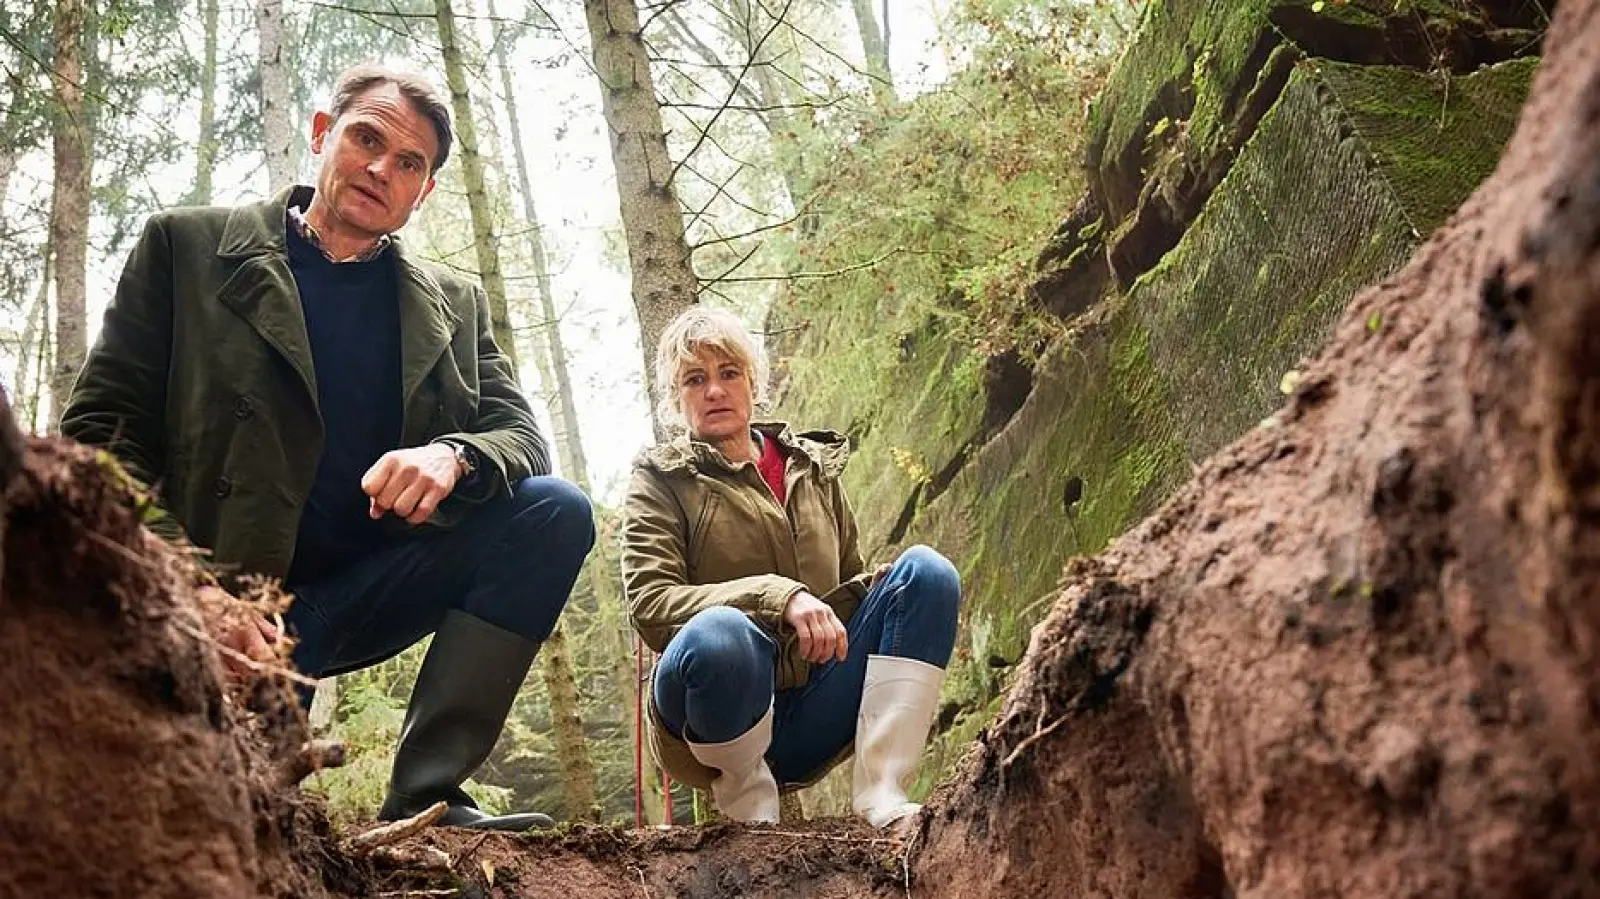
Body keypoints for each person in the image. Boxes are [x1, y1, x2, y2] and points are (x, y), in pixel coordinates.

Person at [60, 64, 594, 832]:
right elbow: (96, 438)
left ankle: (427, 793)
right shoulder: (185, 246)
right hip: (224, 607)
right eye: (366, 138)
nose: (382, 168)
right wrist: (194, 592)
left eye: (409, 163)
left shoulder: (454, 303)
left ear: (423, 193)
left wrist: (452, 454)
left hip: (365, 591)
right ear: (323, 135)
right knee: (216, 821)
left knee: (554, 512)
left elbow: (521, 436)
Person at [620, 306, 962, 828]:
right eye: (695, 380)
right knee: (721, 633)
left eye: (728, 373)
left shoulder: (811, 467)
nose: (714, 390)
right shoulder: (660, 480)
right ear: (676, 400)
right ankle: (751, 815)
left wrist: (889, 593)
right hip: (711, 719)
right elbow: (651, 605)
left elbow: (853, 585)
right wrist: (779, 596)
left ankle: (883, 796)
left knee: (928, 573)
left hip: (813, 710)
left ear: (753, 382)